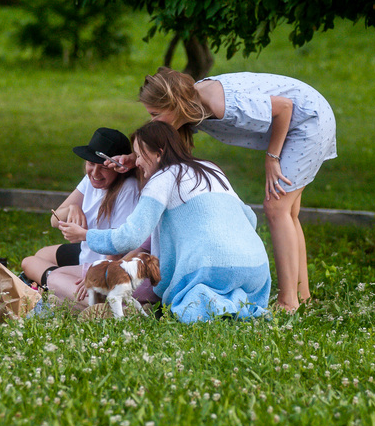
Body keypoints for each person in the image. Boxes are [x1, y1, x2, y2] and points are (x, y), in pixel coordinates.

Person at [135, 67, 336, 312]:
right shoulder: (189, 109)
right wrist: (132, 158)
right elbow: (167, 150)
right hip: (301, 120)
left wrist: (272, 157)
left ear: (173, 103)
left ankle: (288, 302)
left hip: (308, 120)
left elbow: (284, 107)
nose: (153, 121)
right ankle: (302, 297)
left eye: (155, 114)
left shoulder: (217, 103)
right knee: (288, 213)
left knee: (276, 208)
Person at [59, 121, 271, 323]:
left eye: (139, 155)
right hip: (256, 270)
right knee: (225, 296)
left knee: (189, 305)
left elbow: (129, 237)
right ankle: (235, 304)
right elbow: (250, 218)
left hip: (209, 271)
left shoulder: (161, 180)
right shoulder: (210, 169)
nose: (137, 163)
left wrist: (85, 235)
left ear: (159, 153)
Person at [20, 127, 147, 310]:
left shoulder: (128, 188)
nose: (95, 173)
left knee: (29, 263)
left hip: (106, 263)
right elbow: (54, 220)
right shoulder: (90, 180)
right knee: (41, 255)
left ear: (119, 168)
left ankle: (67, 293)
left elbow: (118, 246)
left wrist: (97, 271)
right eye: (90, 164)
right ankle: (62, 290)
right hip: (87, 253)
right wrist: (73, 208)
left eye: (103, 167)